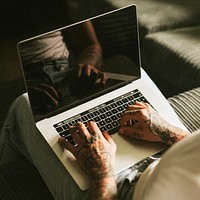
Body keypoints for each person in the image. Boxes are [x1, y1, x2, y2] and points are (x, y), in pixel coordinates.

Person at [1, 95, 200, 200]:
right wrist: (168, 132)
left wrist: (101, 171)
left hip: (120, 191)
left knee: (26, 104)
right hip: (164, 158)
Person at [19, 20, 106, 113]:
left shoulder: (65, 5)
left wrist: (86, 67)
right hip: (17, 87)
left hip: (66, 78)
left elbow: (90, 45)